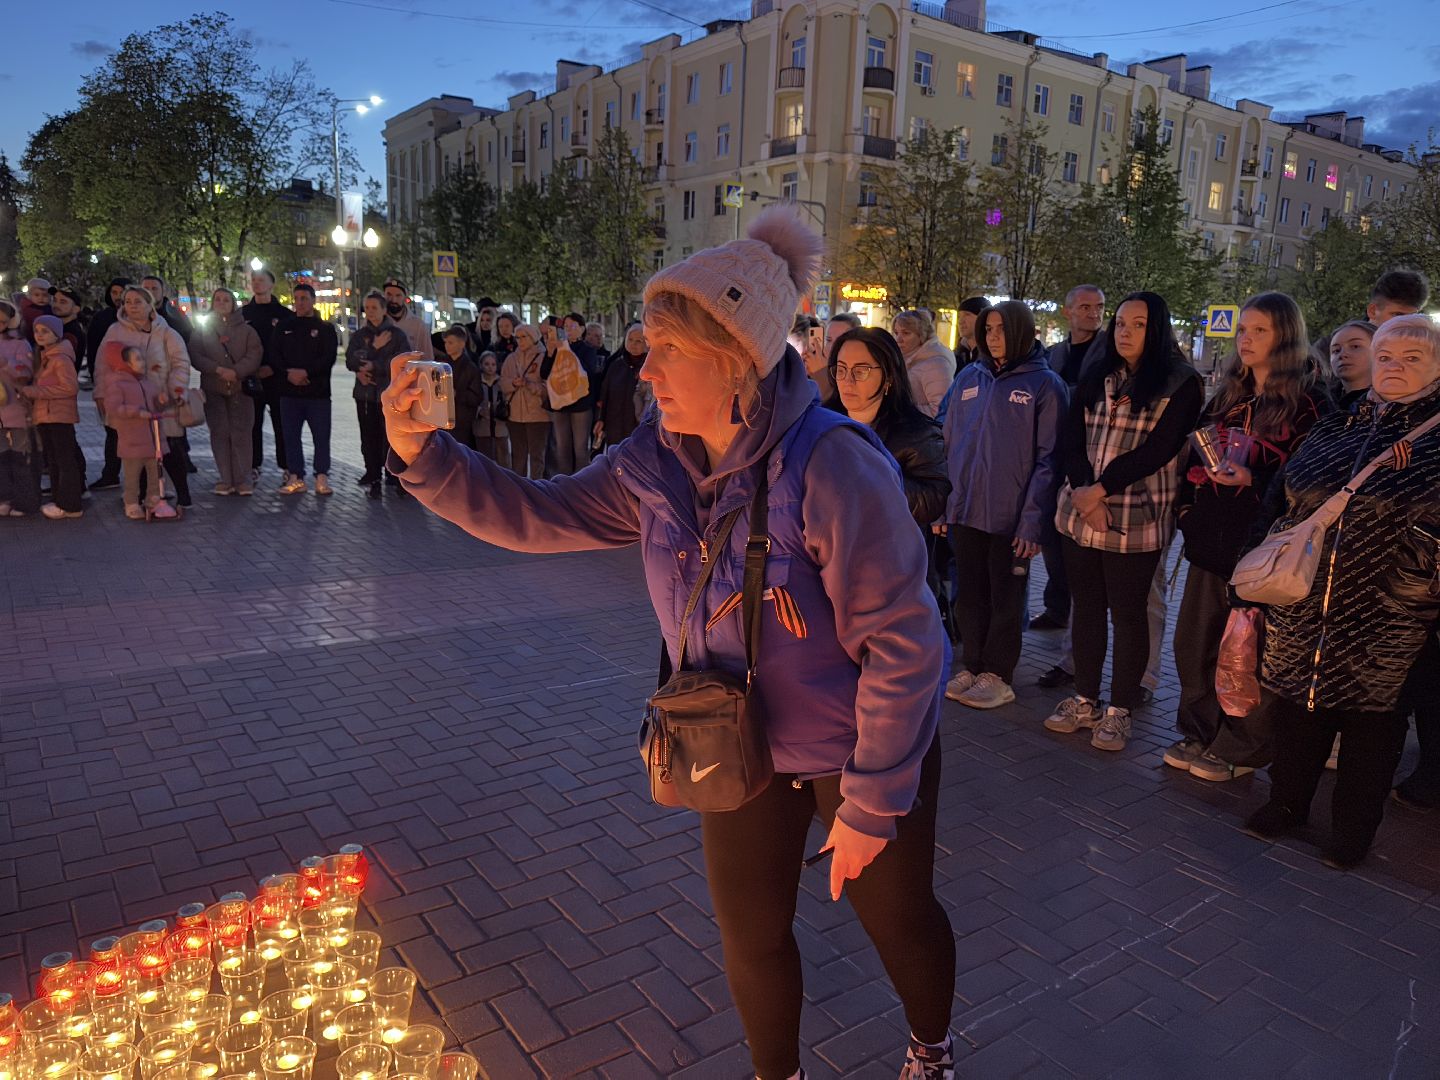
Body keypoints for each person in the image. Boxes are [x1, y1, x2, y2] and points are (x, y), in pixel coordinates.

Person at [381, 206, 957, 1080]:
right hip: (732, 740)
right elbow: (541, 516)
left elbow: (906, 645)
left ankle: (930, 1047)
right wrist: (424, 456)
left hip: (859, 752)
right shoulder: (654, 463)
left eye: (667, 350)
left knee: (898, 920)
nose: (644, 370)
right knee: (752, 935)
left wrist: (873, 803)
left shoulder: (834, 464)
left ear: (735, 359)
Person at [1243, 314, 1440, 868]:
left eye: (1413, 358)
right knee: (1300, 711)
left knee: (1372, 729)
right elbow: (1283, 500)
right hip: (1307, 601)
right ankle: (1287, 804)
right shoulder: (1339, 425)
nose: (1395, 367)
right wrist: (1255, 566)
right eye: (1386, 357)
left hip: (1392, 616)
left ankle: (1353, 832)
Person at [1167, 292, 1327, 781]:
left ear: (1286, 336)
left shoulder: (1310, 406)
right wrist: (1190, 506)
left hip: (1262, 549)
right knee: (1196, 643)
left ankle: (1240, 746)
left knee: (1247, 651)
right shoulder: (1229, 395)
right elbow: (1195, 456)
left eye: (1260, 330)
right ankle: (1200, 730)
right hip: (1210, 543)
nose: (1246, 339)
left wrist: (1253, 481)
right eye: (1243, 330)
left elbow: (1310, 482)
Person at [1045, 292, 1204, 752]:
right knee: (1087, 607)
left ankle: (1120, 710)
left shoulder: (1181, 382)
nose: (1125, 332)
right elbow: (1071, 437)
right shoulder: (1100, 375)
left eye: (1138, 324)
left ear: (1156, 329)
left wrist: (1101, 490)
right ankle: (1085, 698)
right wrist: (1083, 489)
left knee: (1129, 614)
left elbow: (1160, 449)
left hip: (1137, 516)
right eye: (1120, 324)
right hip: (1081, 510)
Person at [940, 301, 1067, 710]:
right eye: (988, 328)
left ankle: (998, 673)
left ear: (1022, 332)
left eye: (1000, 328)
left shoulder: (1044, 386)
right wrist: (944, 505)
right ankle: (972, 665)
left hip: (1011, 518)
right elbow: (947, 442)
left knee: (1006, 598)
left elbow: (1050, 460)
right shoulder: (969, 377)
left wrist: (1032, 523)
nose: (992, 336)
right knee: (970, 595)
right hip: (966, 511)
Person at [1031, 285, 1107, 635]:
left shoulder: (1109, 350)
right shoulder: (1055, 352)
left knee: (1078, 540)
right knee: (1052, 532)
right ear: (1068, 312)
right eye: (1086, 307)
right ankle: (1057, 605)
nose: (1093, 313)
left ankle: (1075, 613)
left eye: (1099, 307)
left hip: (1090, 454)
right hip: (1054, 449)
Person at [823, 326, 950, 531]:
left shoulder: (917, 433)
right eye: (841, 369)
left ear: (889, 377)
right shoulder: (821, 423)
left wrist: (877, 478)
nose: (847, 380)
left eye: (861, 371)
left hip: (884, 547)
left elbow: (933, 500)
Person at [101, 285, 193, 508]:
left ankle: (182, 493)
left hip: (161, 398)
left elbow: (181, 363)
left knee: (170, 447)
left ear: (150, 304)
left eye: (138, 301)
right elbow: (102, 364)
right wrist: (101, 393)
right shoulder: (115, 331)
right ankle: (143, 495)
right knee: (139, 450)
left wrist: (176, 387)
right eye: (128, 301)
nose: (132, 306)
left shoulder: (166, 332)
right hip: (131, 400)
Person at [189, 288, 262, 496]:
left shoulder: (247, 331)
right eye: (218, 299)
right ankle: (225, 478)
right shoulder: (202, 330)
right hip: (214, 388)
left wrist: (237, 372)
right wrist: (217, 369)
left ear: (233, 303)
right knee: (219, 433)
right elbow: (195, 353)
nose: (221, 303)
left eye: (226, 300)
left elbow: (254, 354)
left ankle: (243, 479)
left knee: (241, 434)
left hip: (240, 388)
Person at [274, 283, 339, 498]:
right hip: (289, 393)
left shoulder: (326, 329)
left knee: (321, 437)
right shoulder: (283, 327)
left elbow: (328, 358)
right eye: (297, 298)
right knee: (290, 436)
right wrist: (289, 374)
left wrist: (306, 373)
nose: (300, 302)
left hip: (317, 394)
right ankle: (296, 476)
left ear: (313, 300)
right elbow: (275, 356)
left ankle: (321, 476)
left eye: (304, 298)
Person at [347, 291, 411, 500]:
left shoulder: (396, 336)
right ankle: (373, 477)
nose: (370, 312)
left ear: (384, 310)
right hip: (365, 396)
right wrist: (373, 349)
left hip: (389, 396)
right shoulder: (360, 336)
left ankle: (393, 475)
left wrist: (375, 365)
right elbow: (351, 360)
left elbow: (402, 363)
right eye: (367, 308)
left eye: (375, 307)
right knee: (369, 438)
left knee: (391, 439)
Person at [101, 342, 176, 520]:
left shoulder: (147, 383)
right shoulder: (117, 384)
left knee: (155, 473)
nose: (142, 362)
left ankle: (154, 500)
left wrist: (163, 401)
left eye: (142, 358)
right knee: (132, 475)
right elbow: (113, 407)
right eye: (138, 359)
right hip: (132, 440)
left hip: (153, 439)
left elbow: (156, 404)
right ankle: (131, 502)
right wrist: (136, 412)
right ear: (125, 363)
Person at [23, 316, 84, 518]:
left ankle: (70, 504)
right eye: (37, 331)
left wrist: (34, 392)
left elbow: (70, 387)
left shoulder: (60, 358)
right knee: (56, 459)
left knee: (64, 460)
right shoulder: (46, 357)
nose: (40, 335)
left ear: (56, 334)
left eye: (45, 331)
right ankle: (61, 500)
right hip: (47, 415)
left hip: (58, 416)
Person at [242, 269, 293, 483]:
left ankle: (287, 467)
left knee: (281, 423)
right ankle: (253, 465)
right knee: (252, 423)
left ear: (272, 284)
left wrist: (273, 367)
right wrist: (251, 368)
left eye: (261, 280)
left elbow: (289, 348)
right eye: (254, 280)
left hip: (277, 378)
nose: (257, 283)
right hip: (251, 376)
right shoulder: (243, 314)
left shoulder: (283, 314)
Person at [542, 312, 602, 475]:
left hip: (581, 406)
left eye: (572, 326)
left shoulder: (588, 350)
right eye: (566, 326)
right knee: (562, 448)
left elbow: (587, 372)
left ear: (582, 329)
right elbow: (544, 373)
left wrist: (567, 351)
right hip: (560, 405)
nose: (568, 329)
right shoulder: (557, 348)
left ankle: (580, 484)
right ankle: (563, 484)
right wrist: (549, 352)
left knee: (580, 448)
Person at [0, 301, 40, 517]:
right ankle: (4, 497)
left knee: (20, 457)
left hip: (15, 408)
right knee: (1, 458)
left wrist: (7, 364)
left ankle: (24, 500)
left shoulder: (19, 343)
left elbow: (26, 373)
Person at [500, 323, 547, 478]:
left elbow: (548, 388)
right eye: (517, 337)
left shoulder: (544, 357)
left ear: (533, 337)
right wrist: (513, 384)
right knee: (518, 455)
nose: (519, 340)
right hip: (515, 415)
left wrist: (529, 384)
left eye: (523, 337)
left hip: (538, 415)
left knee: (537, 455)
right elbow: (503, 383)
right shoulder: (511, 359)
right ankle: (518, 488)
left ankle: (537, 487)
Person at [891, 309, 956, 419]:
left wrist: (898, 410)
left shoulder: (935, 364)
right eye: (896, 333)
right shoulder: (906, 358)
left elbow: (941, 410)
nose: (898, 339)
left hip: (920, 432)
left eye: (906, 333)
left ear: (922, 335)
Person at [593, 322, 647, 450]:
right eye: (630, 339)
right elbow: (605, 394)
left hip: (638, 427)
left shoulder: (649, 368)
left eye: (638, 341)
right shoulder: (616, 365)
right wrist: (601, 419)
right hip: (614, 425)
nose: (633, 344)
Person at [440, 325, 483, 451]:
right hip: (442, 417)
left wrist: (457, 394)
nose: (447, 346)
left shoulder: (470, 368)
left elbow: (477, 397)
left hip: (461, 420)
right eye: (446, 342)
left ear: (462, 344)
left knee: (459, 453)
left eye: (451, 342)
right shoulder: (441, 364)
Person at [85, 278, 131, 393]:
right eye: (114, 293)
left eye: (122, 292)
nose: (118, 297)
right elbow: (93, 350)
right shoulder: (100, 318)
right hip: (108, 378)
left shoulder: (138, 317)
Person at [473, 351, 510, 468]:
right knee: (484, 463)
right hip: (482, 428)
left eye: (493, 364)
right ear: (481, 365)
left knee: (503, 461)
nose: (490, 367)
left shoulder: (502, 382)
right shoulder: (477, 382)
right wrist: (479, 411)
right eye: (487, 364)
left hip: (501, 428)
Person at [141, 275, 192, 343]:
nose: (150, 292)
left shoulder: (175, 314)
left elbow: (189, 338)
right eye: (146, 289)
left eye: (154, 288)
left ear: (163, 291)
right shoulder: (133, 314)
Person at [49, 287, 88, 361]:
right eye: (55, 300)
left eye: (63, 302)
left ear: (76, 309)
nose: (56, 305)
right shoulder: (55, 328)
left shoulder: (73, 333)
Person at [954, 296, 988, 370]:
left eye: (967, 314)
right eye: (959, 316)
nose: (960, 321)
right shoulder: (955, 356)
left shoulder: (992, 358)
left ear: (982, 318)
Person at [17, 277, 53, 345]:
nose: (41, 298)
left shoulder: (48, 308)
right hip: (32, 340)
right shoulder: (28, 309)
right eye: (37, 295)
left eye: (45, 295)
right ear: (30, 296)